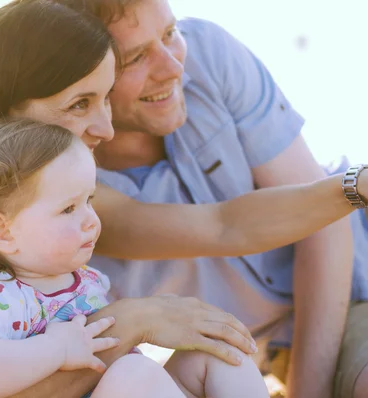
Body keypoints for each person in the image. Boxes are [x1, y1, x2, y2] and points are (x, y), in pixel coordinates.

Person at [0, 0, 368, 396]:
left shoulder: (50, 185)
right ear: (5, 106)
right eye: (80, 103)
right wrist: (133, 320)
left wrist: (354, 186)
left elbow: (223, 226)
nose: (105, 127)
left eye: (105, 96)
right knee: (137, 371)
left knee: (220, 358)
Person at [47, 1, 368, 397]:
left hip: (344, 288)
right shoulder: (65, 179)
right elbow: (226, 226)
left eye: (169, 34)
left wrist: (309, 391)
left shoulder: (208, 52)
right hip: (223, 353)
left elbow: (327, 225)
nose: (174, 67)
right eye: (135, 58)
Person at [0, 118, 270, 398]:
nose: (91, 220)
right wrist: (55, 349)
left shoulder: (87, 280)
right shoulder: (0, 298)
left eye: (89, 200)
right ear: (4, 233)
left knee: (214, 353)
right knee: (134, 372)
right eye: (68, 208)